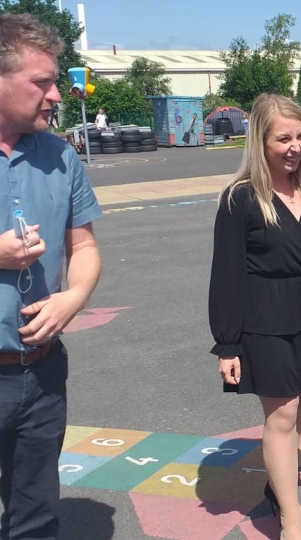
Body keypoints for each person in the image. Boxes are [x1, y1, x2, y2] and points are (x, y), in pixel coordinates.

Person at [209, 93, 301, 540]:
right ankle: (289, 519)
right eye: (283, 138)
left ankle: (277, 487)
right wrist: (227, 343)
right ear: (260, 141)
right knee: (282, 414)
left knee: (298, 404)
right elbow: (226, 275)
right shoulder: (240, 199)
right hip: (263, 318)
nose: (295, 146)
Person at [0, 13, 102, 540]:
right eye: (42, 82)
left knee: (35, 516)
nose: (57, 94)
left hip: (41, 372)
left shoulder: (61, 156)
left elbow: (83, 246)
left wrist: (73, 296)